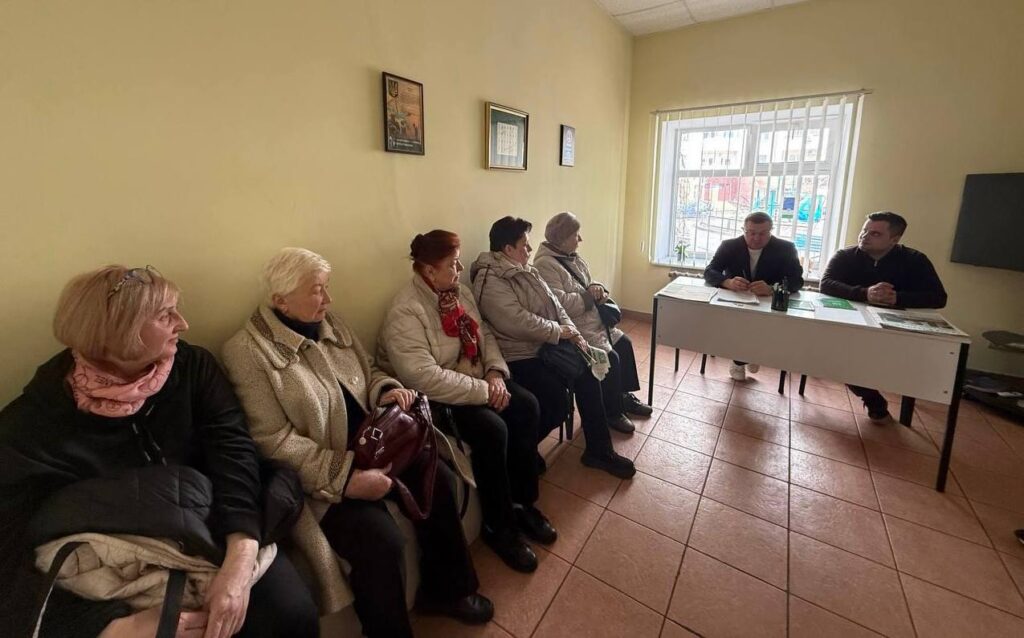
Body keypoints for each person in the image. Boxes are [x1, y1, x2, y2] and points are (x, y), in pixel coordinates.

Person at [0, 265, 318, 638]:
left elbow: (234, 455)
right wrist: (113, 626)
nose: (183, 323)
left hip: (216, 523)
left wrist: (239, 560)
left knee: (290, 614)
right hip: (119, 559)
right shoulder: (37, 419)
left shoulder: (193, 367)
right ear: (118, 332)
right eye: (165, 315)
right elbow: (9, 544)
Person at [222, 248, 491, 638]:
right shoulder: (246, 352)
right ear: (281, 300)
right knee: (380, 541)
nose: (328, 299)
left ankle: (448, 590)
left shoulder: (331, 322)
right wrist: (346, 477)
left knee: (440, 480)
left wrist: (386, 391)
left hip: (378, 441)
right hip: (323, 474)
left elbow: (370, 370)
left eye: (326, 287)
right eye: (317, 290)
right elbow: (273, 442)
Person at [378, 230, 555, 574]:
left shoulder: (457, 292)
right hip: (436, 397)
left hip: (475, 377)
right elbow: (424, 378)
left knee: (527, 406)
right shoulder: (406, 311)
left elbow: (483, 333)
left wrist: (495, 373)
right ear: (429, 271)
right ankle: (499, 527)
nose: (460, 270)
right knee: (492, 430)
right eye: (453, 264)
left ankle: (522, 504)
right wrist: (485, 391)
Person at [470, 216, 636, 479]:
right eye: (524, 245)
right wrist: (560, 332)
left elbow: (557, 307)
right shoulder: (490, 280)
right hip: (519, 355)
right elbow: (517, 321)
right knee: (556, 402)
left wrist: (573, 334)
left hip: (544, 346)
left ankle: (599, 450)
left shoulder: (526, 269)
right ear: (508, 249)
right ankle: (523, 450)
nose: (530, 249)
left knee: (590, 370)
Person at [820, 211, 948, 420]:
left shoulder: (915, 260)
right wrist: (865, 293)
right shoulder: (845, 256)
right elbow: (826, 284)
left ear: (894, 240)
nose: (864, 236)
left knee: (892, 363)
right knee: (839, 356)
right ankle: (873, 399)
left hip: (895, 331)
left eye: (875, 234)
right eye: (864, 230)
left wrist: (897, 298)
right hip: (851, 326)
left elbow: (938, 298)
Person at [534, 211, 653, 433]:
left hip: (593, 322)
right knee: (610, 358)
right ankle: (612, 412)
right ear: (562, 238)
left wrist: (597, 287)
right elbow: (558, 304)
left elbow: (587, 283)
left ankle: (622, 397)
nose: (580, 239)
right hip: (576, 329)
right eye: (576, 235)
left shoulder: (573, 257)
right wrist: (589, 296)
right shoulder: (545, 265)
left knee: (624, 344)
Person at [704, 211, 804, 381]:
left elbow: (797, 281)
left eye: (762, 233)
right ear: (743, 230)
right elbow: (709, 271)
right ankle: (742, 359)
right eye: (751, 233)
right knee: (741, 324)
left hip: (767, 304)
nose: (756, 238)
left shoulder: (786, 248)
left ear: (771, 231)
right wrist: (727, 282)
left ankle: (750, 355)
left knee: (760, 326)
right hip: (736, 302)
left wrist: (772, 288)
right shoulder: (729, 246)